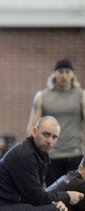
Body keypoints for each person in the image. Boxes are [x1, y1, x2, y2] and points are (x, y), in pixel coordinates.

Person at [27, 59, 85, 187]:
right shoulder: (42, 96)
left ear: (72, 75)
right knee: (53, 196)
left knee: (77, 196)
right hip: (51, 155)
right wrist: (31, 152)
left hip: (75, 153)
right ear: (54, 74)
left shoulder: (81, 95)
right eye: (60, 72)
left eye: (67, 72)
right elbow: (32, 126)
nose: (64, 75)